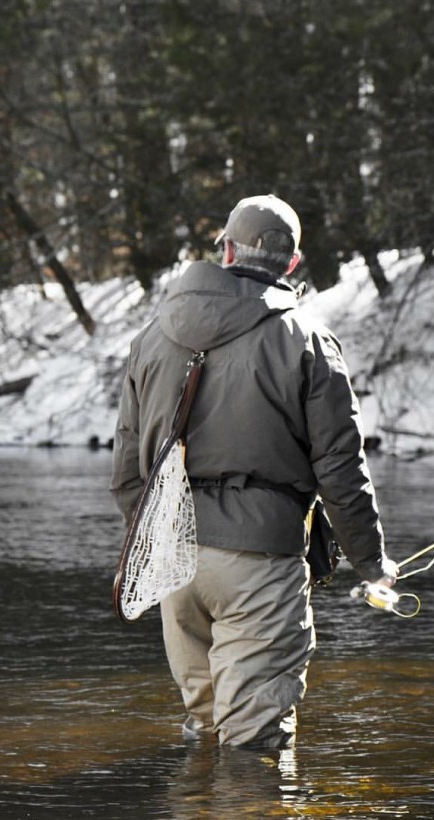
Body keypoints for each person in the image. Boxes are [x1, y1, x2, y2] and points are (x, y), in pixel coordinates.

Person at [110, 194, 398, 750]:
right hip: (259, 560)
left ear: (225, 251)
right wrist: (369, 561)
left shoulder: (151, 336)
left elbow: (126, 467)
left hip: (173, 559)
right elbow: (340, 466)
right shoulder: (307, 339)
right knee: (254, 742)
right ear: (291, 263)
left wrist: (157, 538)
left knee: (206, 727)